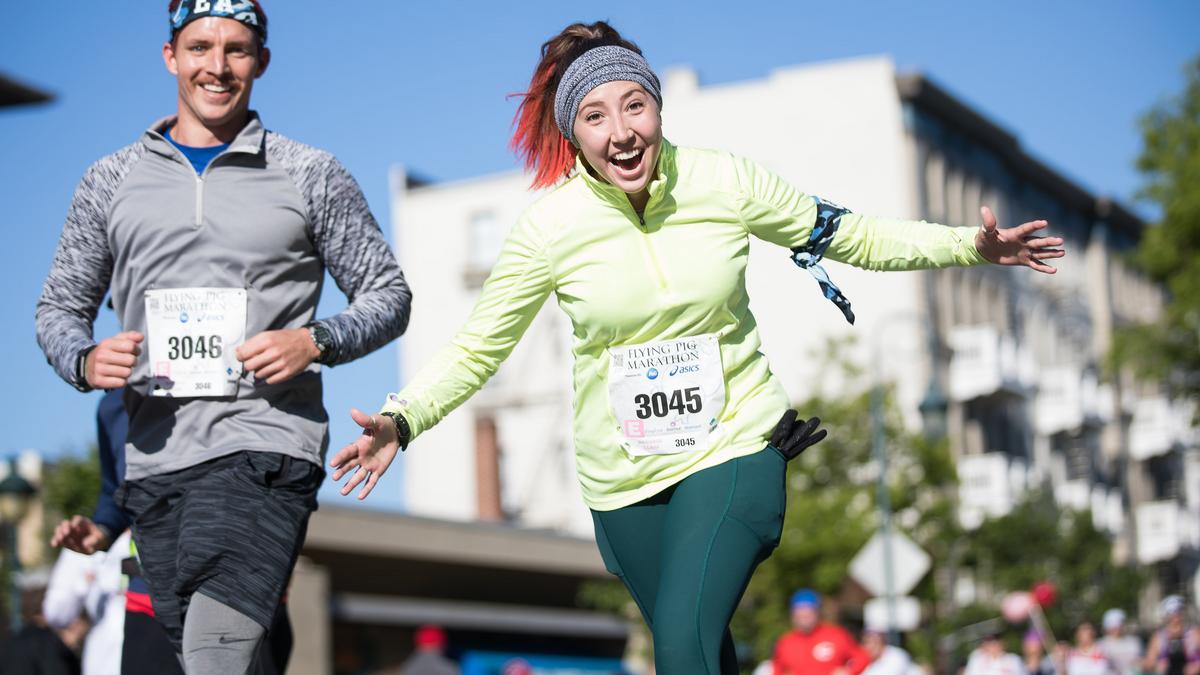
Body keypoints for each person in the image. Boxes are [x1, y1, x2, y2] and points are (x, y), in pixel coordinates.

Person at [329, 21, 1064, 675]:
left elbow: (853, 234)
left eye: (634, 106)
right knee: (704, 651)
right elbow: (478, 347)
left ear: (656, 108)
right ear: (573, 133)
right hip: (624, 481)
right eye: (594, 115)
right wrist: (403, 418)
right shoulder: (548, 229)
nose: (620, 131)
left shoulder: (724, 180)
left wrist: (970, 245)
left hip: (735, 445)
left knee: (679, 647)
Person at [35, 2, 412, 672]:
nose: (217, 66)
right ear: (170, 56)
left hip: (264, 447)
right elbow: (59, 308)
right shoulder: (109, 180)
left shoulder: (309, 172)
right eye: (201, 46)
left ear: (261, 62)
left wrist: (315, 340)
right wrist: (83, 356)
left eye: (237, 50)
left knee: (216, 656)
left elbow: (389, 295)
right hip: (152, 462)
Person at [771, 590, 870, 675]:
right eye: (800, 613)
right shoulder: (785, 643)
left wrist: (848, 671)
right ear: (793, 616)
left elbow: (862, 658)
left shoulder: (836, 635)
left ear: (817, 612)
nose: (804, 617)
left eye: (808, 612)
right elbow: (777, 670)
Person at [1143, 596, 1200, 675]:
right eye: (1172, 612)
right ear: (1166, 615)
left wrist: (1197, 666)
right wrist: (1157, 665)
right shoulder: (1159, 637)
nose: (1176, 616)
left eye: (1179, 611)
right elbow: (1149, 663)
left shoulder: (1194, 633)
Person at [1098, 609, 1141, 675]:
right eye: (1114, 627)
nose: (1117, 629)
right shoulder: (1100, 644)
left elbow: (1140, 662)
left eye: (1119, 626)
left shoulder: (1134, 642)